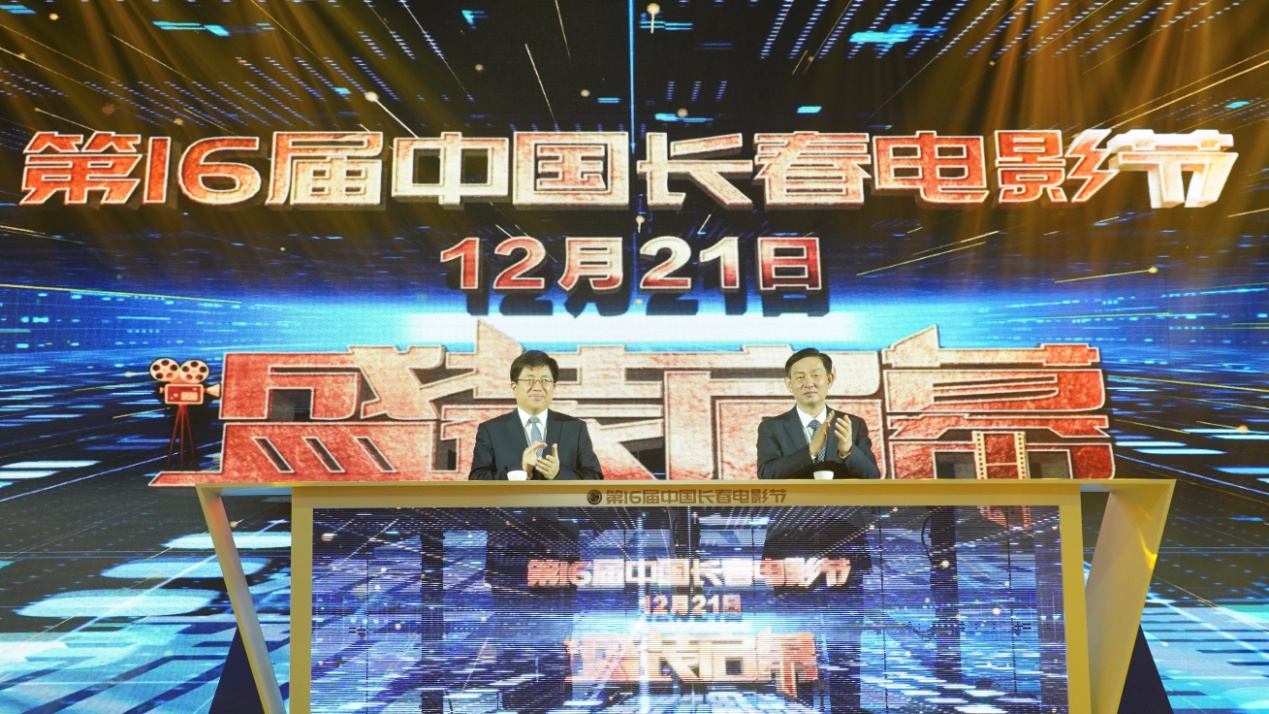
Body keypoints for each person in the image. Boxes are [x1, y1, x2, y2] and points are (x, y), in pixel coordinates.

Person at [468, 349, 603, 481]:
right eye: (529, 380)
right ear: (514, 386)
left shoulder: (574, 428)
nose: (538, 387)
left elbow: (595, 478)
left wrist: (558, 474)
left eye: (545, 381)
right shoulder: (492, 430)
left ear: (554, 387)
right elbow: (477, 480)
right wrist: (520, 470)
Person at [757, 347, 881, 480]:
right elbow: (766, 475)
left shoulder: (852, 424)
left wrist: (848, 451)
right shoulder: (772, 428)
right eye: (800, 377)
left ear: (829, 379)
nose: (808, 383)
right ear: (789, 384)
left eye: (815, 375)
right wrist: (810, 451)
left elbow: (872, 477)